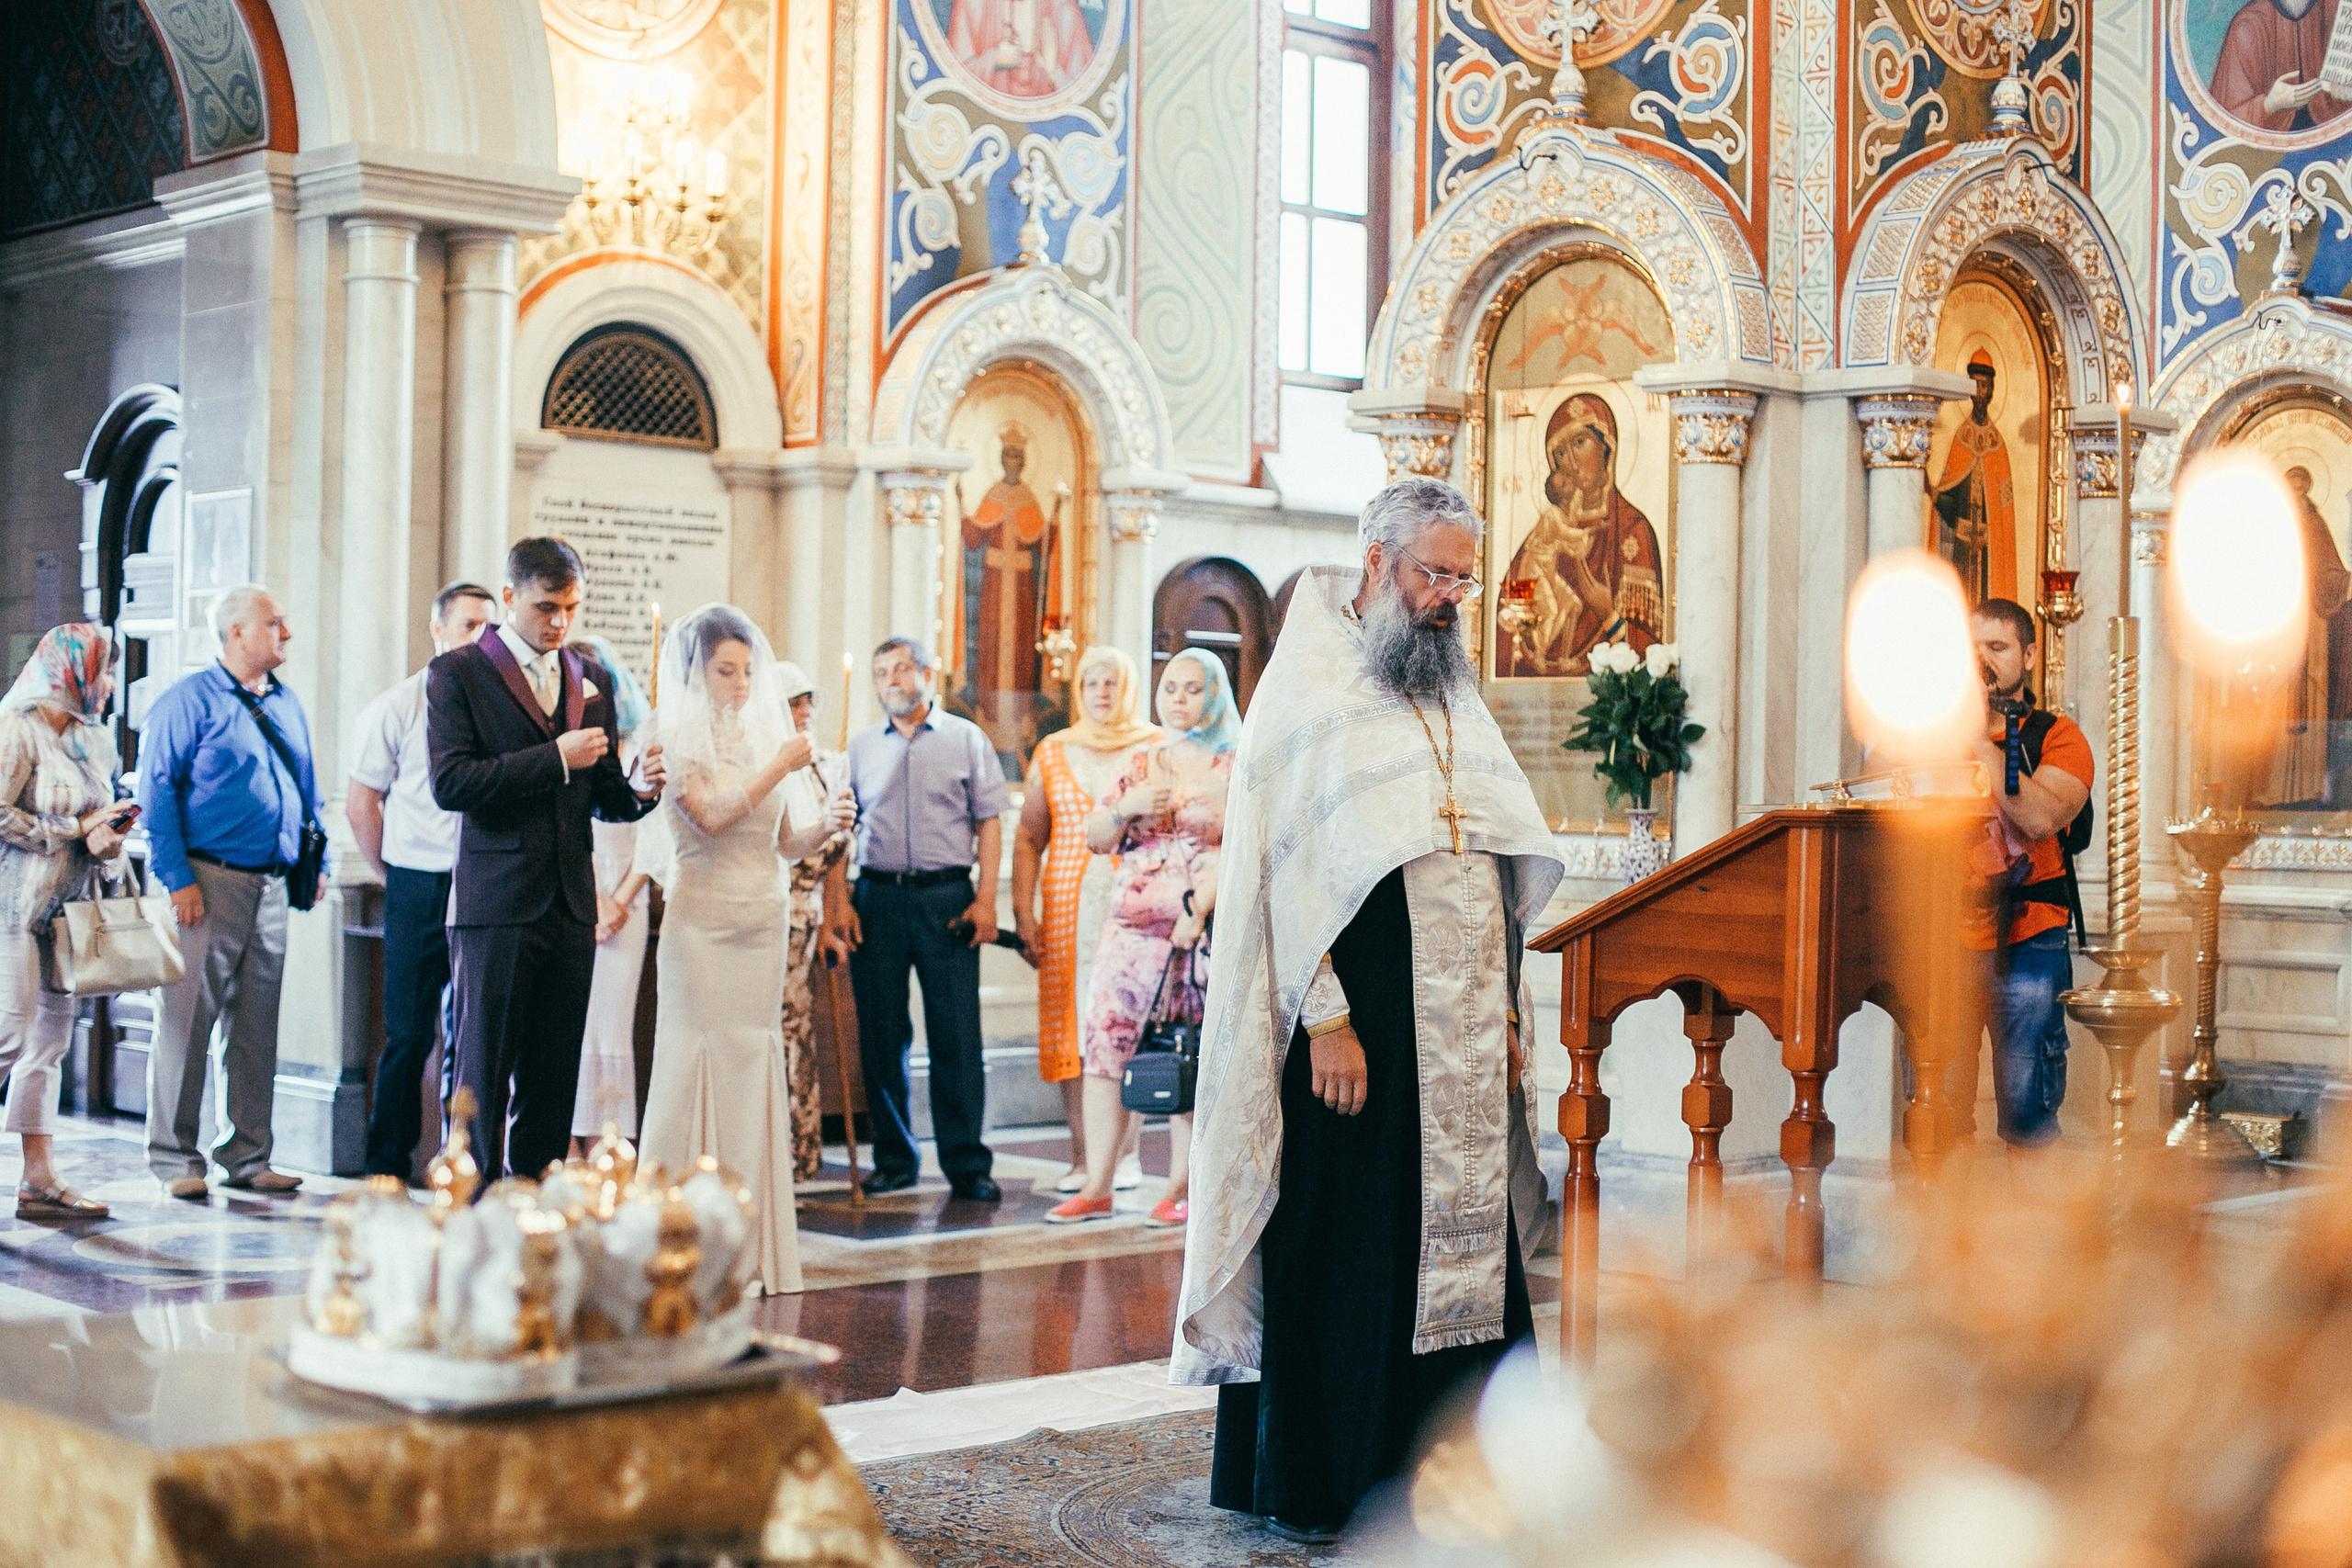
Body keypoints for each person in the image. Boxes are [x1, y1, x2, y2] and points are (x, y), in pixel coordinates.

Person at [1174, 478, 1565, 1544]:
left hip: (1457, 1026)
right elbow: (1282, 880)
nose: (1449, 597)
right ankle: (1327, 1480)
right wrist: (1328, 1021)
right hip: (1354, 1022)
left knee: (1458, 1240)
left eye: (1462, 579)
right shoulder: (1308, 691)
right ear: (1377, 560)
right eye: (1434, 573)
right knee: (1347, 1242)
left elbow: (1488, 861)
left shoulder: (1449, 691)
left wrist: (1505, 1014)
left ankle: (1465, 1471)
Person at [428, 538, 665, 1180]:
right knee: (483, 1070)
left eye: (571, 607)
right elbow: (452, 783)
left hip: (570, 904)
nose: (560, 622)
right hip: (497, 903)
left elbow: (603, 795)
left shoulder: (591, 678)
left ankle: (535, 1208)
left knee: (554, 1075)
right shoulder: (458, 673)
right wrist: (555, 757)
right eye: (545, 607)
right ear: (510, 596)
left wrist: (641, 789)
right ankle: (473, 1208)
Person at [638, 605, 812, 1293]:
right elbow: (709, 816)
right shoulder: (671, 738)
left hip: (763, 917)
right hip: (702, 921)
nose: (741, 684)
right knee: (692, 1059)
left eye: (747, 671)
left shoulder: (766, 734)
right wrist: (779, 764)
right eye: (725, 671)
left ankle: (748, 1244)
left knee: (749, 1061)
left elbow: (787, 840)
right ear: (697, 672)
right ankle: (674, 1241)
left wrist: (829, 824)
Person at [140, 584, 323, 1201]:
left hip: (271, 883)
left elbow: (307, 787)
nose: (286, 633)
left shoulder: (286, 702)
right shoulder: (187, 701)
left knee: (256, 1027)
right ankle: (174, 1157)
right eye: (275, 623)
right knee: (186, 1022)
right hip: (206, 881)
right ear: (237, 632)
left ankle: (247, 1155)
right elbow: (156, 792)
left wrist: (315, 858)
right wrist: (178, 878)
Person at [1046, 650, 1237, 1230]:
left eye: (1193, 689)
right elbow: (1095, 838)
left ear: (1215, 695)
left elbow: (1242, 848)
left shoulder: (1234, 763)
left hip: (1197, 933)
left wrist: (1199, 912)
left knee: (1186, 1054)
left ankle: (1181, 1187)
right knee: (1105, 1049)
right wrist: (1127, 807)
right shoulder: (1139, 761)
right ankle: (1097, 1183)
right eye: (1170, 687)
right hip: (1128, 935)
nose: (1178, 698)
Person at [820, 637, 1010, 1202]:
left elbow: (990, 822)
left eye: (902, 668)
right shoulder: (858, 749)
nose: (891, 680)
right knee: (882, 1034)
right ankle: (895, 1159)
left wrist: (986, 901)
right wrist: (838, 903)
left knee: (956, 1033)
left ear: (928, 672)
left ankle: (967, 1163)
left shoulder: (966, 739)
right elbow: (840, 830)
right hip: (876, 899)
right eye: (881, 672)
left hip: (947, 897)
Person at [350, 581, 498, 1179]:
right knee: (409, 1033)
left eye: (489, 627)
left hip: (483, 881)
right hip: (416, 882)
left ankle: (464, 1161)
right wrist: (391, 874)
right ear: (438, 629)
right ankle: (386, 1166)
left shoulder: (500, 705)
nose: (480, 638)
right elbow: (362, 803)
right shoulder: (397, 705)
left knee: (475, 1034)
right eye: (468, 625)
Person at [1012, 646, 1160, 1195]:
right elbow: (1029, 838)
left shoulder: (1155, 748)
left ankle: (1126, 1156)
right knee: (1073, 1031)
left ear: (1128, 688)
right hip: (1067, 914)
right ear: (1079, 691)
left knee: (1131, 1027)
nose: (1101, 692)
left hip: (1137, 910)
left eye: (1111, 682)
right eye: (1091, 682)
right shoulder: (1054, 750)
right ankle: (1081, 1156)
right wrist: (1022, 912)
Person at [0, 626, 130, 1219]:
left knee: (49, 1044)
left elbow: (95, 818)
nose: (111, 684)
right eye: (105, 671)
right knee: (9, 1035)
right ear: (71, 671)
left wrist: (107, 839)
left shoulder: (90, 738)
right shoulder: (17, 726)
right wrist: (72, 830)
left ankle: (39, 1178)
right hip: (12, 908)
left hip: (67, 912)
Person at [1959, 598, 2094, 1151]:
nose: (1982, 661)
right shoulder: (1926, 734)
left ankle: (2030, 1209)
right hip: (1943, 939)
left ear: (2029, 656)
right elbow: (1870, 799)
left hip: (2029, 937)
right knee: (1936, 1113)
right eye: (1971, 649)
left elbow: (2038, 818)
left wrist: (1975, 738)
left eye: (1997, 647)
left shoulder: (2057, 736)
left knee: (2027, 1115)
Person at [1498, 394, 1665, 676]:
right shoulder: (1549, 528)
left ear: (1606, 445)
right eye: (1561, 453)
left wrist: (1608, 614)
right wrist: (1521, 615)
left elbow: (1650, 648)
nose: (1572, 462)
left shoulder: (1632, 529)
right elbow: (1514, 600)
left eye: (1579, 442)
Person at [568, 633, 656, 1150]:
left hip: (629, 898)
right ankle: (568, 1143)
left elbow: (655, 836)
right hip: (574, 893)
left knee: (612, 1026)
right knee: (572, 1026)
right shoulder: (568, 748)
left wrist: (618, 900)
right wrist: (594, 898)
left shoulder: (639, 749)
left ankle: (610, 1142)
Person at [775, 660, 860, 1183]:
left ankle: (799, 1150)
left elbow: (838, 851)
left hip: (808, 916)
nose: (804, 711)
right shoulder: (769, 764)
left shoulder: (828, 767)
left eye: (808, 701)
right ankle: (770, 1149)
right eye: (793, 703)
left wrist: (831, 918)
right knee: (775, 1027)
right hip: (769, 909)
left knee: (797, 1027)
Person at [1933, 351, 2017, 604]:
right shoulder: (1961, 439)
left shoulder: (1998, 446)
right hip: (1961, 542)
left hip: (1989, 549)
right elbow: (1949, 496)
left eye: (1985, 386)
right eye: (1975, 385)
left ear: (1992, 391)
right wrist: (1934, 493)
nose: (1980, 392)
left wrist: (1990, 534)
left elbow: (2004, 515)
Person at [2209, 0, 2351, 136]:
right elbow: (2224, 122)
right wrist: (2268, 104)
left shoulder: (2341, 10)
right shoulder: (2247, 25)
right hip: (2271, 145)